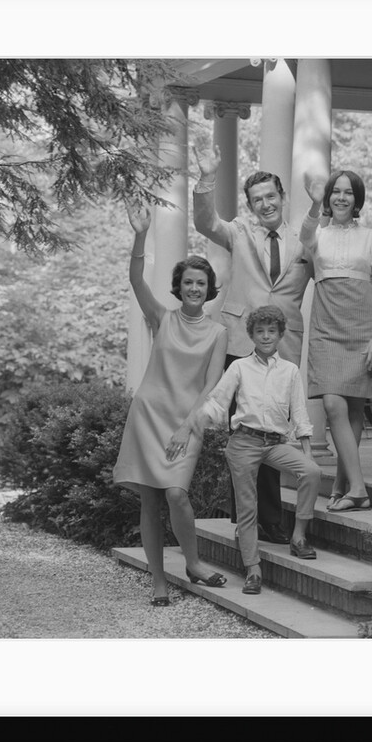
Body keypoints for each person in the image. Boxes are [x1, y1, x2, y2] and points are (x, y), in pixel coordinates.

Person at [192, 145, 312, 545]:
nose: (265, 204)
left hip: (283, 347)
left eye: (271, 197)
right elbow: (206, 221)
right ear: (250, 205)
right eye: (257, 199)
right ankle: (251, 517)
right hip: (241, 342)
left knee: (273, 434)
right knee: (245, 436)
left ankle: (270, 519)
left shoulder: (302, 241)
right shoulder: (239, 231)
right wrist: (207, 177)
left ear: (283, 198)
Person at [112, 200, 229, 607]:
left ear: (208, 288)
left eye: (201, 283)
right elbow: (136, 280)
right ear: (178, 288)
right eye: (188, 283)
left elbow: (211, 386)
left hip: (187, 421)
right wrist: (141, 234)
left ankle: (193, 564)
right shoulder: (161, 318)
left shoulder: (218, 332)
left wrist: (186, 426)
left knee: (177, 494)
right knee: (150, 500)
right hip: (148, 416)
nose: (194, 288)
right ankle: (159, 582)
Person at [190, 306, 321, 595]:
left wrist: (308, 452)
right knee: (248, 509)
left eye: (271, 331)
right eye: (259, 331)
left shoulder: (290, 371)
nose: (265, 336)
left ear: (280, 335)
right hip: (243, 444)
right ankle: (253, 569)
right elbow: (218, 400)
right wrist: (199, 418)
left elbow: (299, 414)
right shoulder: (238, 367)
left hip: (275, 444)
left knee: (311, 472)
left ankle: (298, 537)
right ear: (251, 335)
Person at [300, 170, 372, 512]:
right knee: (333, 404)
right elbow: (305, 236)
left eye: (348, 193)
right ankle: (359, 487)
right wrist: (312, 200)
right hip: (326, 327)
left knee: (353, 407)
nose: (341, 197)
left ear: (357, 199)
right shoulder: (317, 234)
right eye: (335, 192)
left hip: (362, 328)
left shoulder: (370, 238)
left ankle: (342, 483)